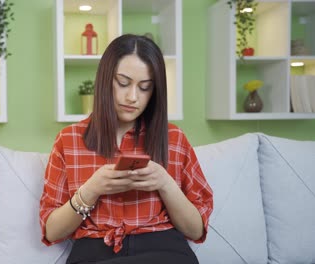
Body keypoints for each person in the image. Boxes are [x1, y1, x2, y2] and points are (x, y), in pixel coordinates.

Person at [39, 34, 213, 264]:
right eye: (122, 83)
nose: (132, 97)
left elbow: (196, 230)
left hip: (163, 250)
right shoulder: (69, 140)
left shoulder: (174, 139)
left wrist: (165, 182)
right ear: (105, 79)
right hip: (95, 252)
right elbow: (51, 231)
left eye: (145, 88)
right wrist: (91, 190)